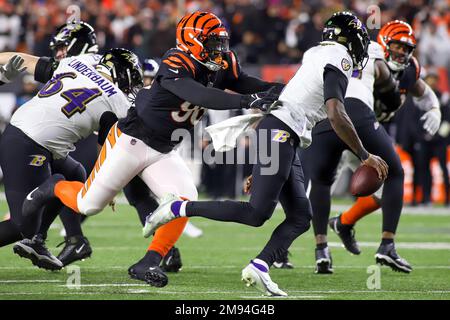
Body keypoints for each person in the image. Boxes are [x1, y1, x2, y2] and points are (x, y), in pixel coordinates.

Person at [23, 11, 283, 287]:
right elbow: (199, 94)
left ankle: (148, 262)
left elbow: (244, 82)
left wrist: (280, 90)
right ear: (192, 41)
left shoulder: (221, 63)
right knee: (88, 204)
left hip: (163, 148)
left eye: (221, 43)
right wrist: (248, 100)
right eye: (212, 43)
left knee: (182, 200)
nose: (219, 50)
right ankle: (53, 186)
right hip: (131, 140)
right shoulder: (176, 60)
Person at [141, 12, 388, 296]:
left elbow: (299, 104)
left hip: (283, 133)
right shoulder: (340, 59)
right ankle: (177, 208)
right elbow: (336, 112)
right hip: (280, 132)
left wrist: (261, 167)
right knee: (257, 213)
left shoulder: (317, 54)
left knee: (300, 216)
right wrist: (365, 155)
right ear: (351, 41)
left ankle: (260, 266)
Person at [0, 47, 143, 271]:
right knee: (21, 226)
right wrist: (110, 184)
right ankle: (42, 213)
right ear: (121, 74)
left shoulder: (75, 63)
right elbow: (107, 150)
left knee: (75, 173)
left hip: (26, 134)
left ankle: (39, 240)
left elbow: (20, 59)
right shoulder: (118, 103)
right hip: (29, 144)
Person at [327, 21, 442, 260]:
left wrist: (434, 109)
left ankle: (344, 223)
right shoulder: (365, 59)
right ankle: (284, 249)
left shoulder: (408, 70)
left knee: (384, 186)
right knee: (313, 186)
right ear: (383, 43)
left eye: (406, 48)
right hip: (338, 127)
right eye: (396, 45)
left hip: (366, 134)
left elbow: (423, 91)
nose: (401, 52)